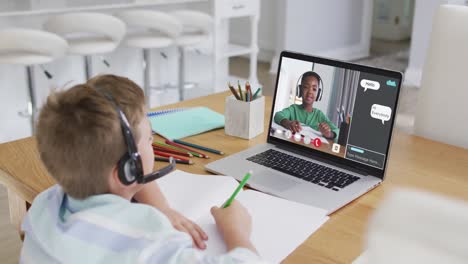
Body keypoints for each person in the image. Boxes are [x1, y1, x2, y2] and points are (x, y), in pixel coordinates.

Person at [20, 75, 261, 263]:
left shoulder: (45, 206)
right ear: (127, 169)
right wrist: (236, 232)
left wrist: (162, 206)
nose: (153, 139)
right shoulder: (147, 238)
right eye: (149, 138)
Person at [274, 71, 339, 140]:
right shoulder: (293, 109)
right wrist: (288, 123)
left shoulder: (319, 115)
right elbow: (278, 115)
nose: (310, 92)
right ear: (300, 89)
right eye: (305, 87)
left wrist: (329, 134)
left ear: (318, 94)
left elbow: (337, 131)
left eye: (314, 89)